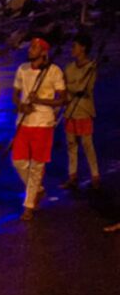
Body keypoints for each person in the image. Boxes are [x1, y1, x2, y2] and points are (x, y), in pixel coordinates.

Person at [13, 37, 64, 220]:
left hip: (43, 122)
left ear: (43, 52)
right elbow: (16, 94)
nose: (30, 50)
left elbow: (62, 99)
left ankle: (28, 206)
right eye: (31, 46)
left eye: (35, 47)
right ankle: (37, 190)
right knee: (18, 161)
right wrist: (21, 105)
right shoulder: (22, 69)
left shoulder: (54, 71)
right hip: (24, 121)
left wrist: (40, 101)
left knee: (37, 166)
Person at [62, 34, 99, 190]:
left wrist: (71, 87)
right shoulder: (69, 68)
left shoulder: (91, 67)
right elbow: (68, 89)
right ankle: (72, 176)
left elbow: (85, 89)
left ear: (83, 48)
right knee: (71, 145)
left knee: (87, 144)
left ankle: (95, 176)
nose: (72, 49)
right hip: (70, 110)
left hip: (84, 110)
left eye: (75, 46)